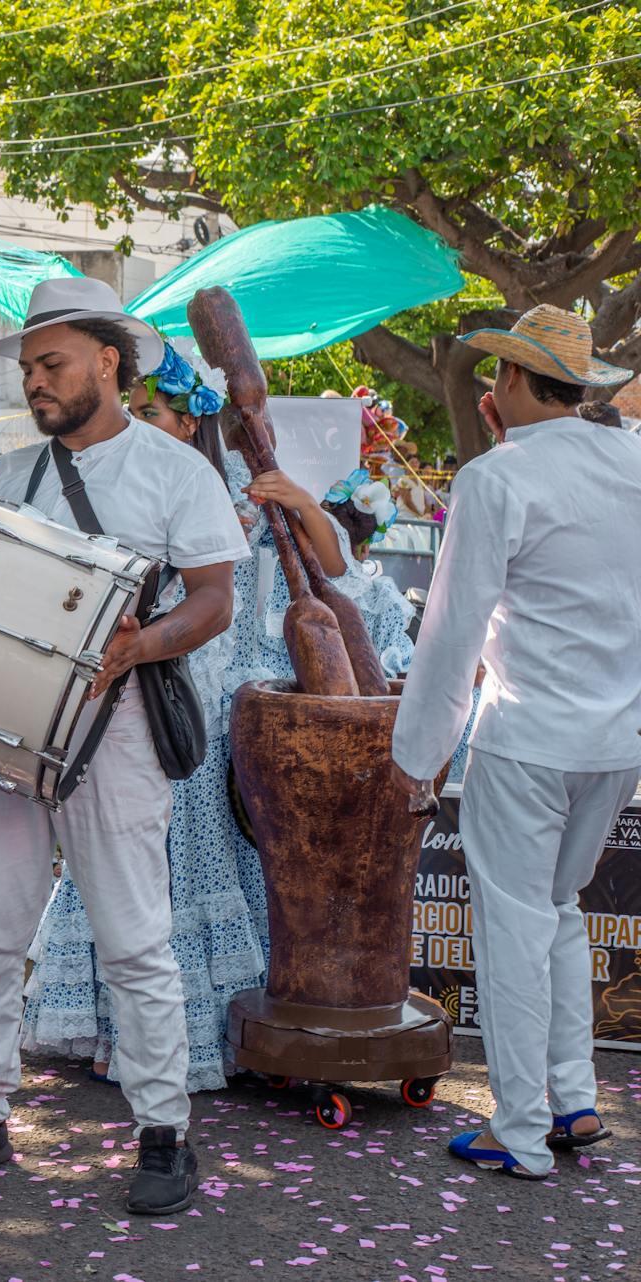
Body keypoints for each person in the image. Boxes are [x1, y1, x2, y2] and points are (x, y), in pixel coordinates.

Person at [0, 279, 246, 1213]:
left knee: (135, 937)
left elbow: (215, 598)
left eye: (50, 367)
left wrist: (140, 645)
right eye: (28, 370)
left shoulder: (179, 472)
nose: (35, 385)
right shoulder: (9, 478)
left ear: (108, 362)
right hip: (4, 730)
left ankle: (163, 1131)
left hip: (119, 729)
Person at [19, 339, 415, 1094]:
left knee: (223, 853)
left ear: (191, 419)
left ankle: (219, 1027)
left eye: (153, 413)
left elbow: (333, 569)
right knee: (140, 857)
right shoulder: (133, 482)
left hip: (241, 694)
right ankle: (131, 1035)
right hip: (165, 683)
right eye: (137, 412)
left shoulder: (240, 482)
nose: (141, 423)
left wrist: (297, 499)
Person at [393, 305, 641, 1181]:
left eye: (497, 374)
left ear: (510, 383)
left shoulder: (497, 479)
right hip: (615, 738)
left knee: (513, 927)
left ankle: (523, 1129)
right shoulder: (633, 458)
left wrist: (414, 758)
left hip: (527, 733)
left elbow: (453, 633)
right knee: (561, 912)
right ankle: (572, 1101)